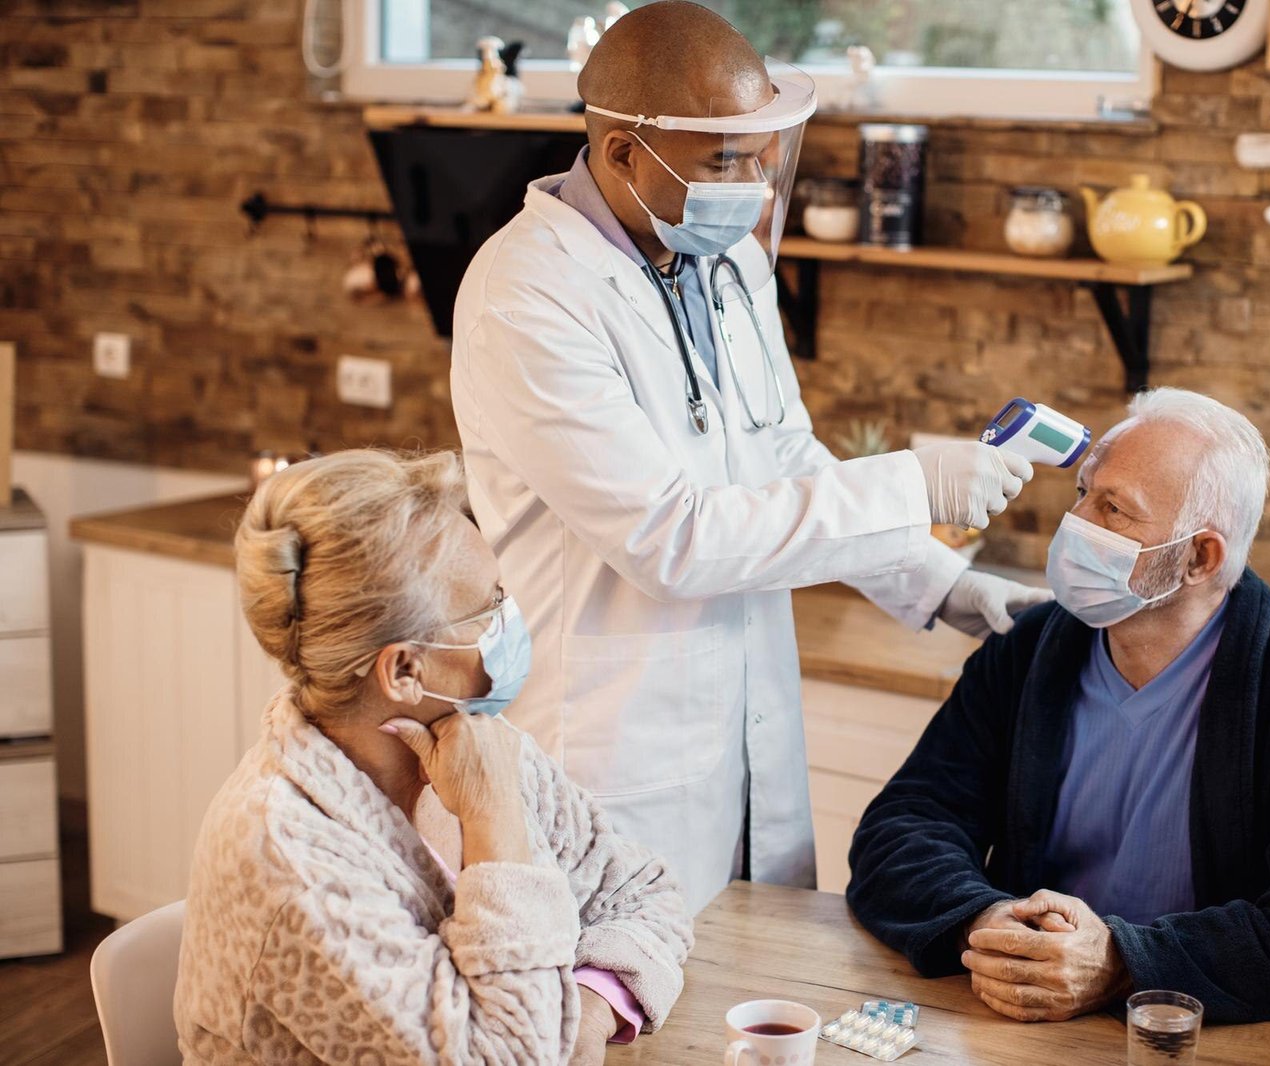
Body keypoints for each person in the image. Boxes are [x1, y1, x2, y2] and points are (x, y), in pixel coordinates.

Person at [450, 0, 1048, 913]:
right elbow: (671, 538)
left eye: (762, 152)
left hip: (744, 736)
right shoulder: (526, 294)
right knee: (615, 1031)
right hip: (610, 754)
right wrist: (912, 480)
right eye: (726, 160)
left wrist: (945, 587)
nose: (758, 184)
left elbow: (786, 462)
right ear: (621, 154)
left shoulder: (729, 267)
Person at [846, 389, 1270, 1024]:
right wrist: (982, 919)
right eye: (1083, 493)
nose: (1078, 522)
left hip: (1192, 1038)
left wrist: (1123, 962)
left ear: (1200, 557)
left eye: (1114, 509)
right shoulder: (1029, 650)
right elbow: (900, 830)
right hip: (1020, 1021)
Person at [174, 450, 692, 1065]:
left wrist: (589, 1002)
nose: (512, 621)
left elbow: (641, 890)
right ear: (404, 670)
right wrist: (493, 819)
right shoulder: (288, 857)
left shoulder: (478, 742)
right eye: (491, 606)